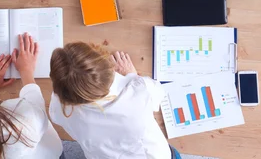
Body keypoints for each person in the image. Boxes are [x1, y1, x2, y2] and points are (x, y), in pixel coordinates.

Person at [49, 42, 179, 159]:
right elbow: (159, 93)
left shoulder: (60, 108)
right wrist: (131, 75)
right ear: (106, 64)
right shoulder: (139, 92)